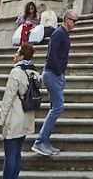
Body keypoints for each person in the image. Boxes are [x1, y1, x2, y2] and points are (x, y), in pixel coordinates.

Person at [0, 41, 40, 179]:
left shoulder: (16, 72)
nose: (15, 54)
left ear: (22, 57)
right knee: (17, 153)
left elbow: (8, 99)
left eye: (18, 52)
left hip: (14, 117)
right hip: (26, 117)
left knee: (10, 155)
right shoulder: (34, 71)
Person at [32, 10, 77, 157]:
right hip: (52, 74)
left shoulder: (64, 34)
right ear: (66, 19)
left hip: (56, 74)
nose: (75, 24)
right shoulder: (58, 33)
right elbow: (51, 55)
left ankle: (44, 142)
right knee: (58, 107)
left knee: (54, 107)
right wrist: (59, 73)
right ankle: (40, 142)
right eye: (73, 20)